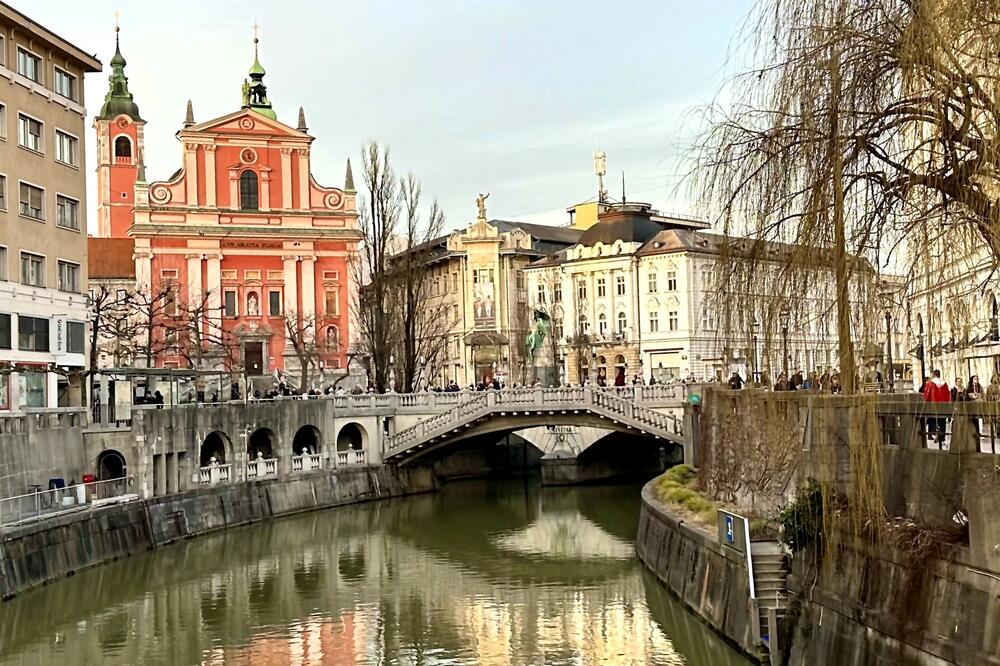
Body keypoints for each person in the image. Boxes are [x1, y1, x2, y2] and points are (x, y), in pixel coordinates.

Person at [923, 369, 951, 446]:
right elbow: (948, 396)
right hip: (943, 407)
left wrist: (925, 402)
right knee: (942, 421)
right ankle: (942, 436)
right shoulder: (944, 384)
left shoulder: (930, 383)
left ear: (933, 375)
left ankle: (933, 434)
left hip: (933, 406)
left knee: (932, 420)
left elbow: (927, 395)